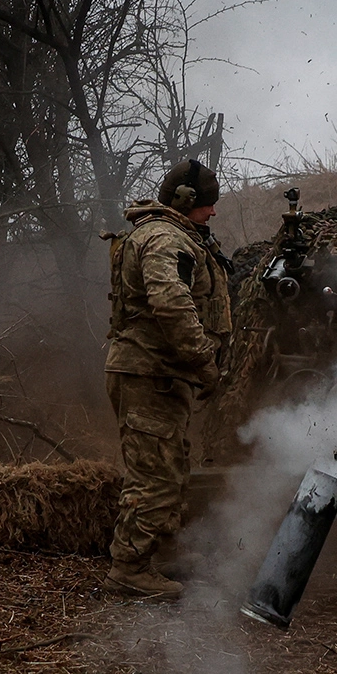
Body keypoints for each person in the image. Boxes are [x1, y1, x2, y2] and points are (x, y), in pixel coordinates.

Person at [101, 159, 232, 598]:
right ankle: (129, 568)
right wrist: (204, 362)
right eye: (208, 203)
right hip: (148, 372)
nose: (213, 211)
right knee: (153, 475)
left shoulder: (172, 235)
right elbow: (171, 306)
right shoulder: (163, 238)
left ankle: (159, 554)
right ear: (185, 200)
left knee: (171, 466)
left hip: (158, 372)